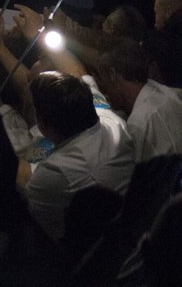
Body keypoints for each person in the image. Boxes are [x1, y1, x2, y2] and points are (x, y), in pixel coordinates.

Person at [24, 71, 134, 242]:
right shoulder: (112, 122)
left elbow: (21, 177)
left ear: (42, 125)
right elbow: (79, 73)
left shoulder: (54, 172)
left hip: (91, 251)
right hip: (134, 224)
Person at [97, 40, 182, 161]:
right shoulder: (172, 94)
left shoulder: (139, 123)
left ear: (112, 74)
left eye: (102, 79)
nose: (104, 91)